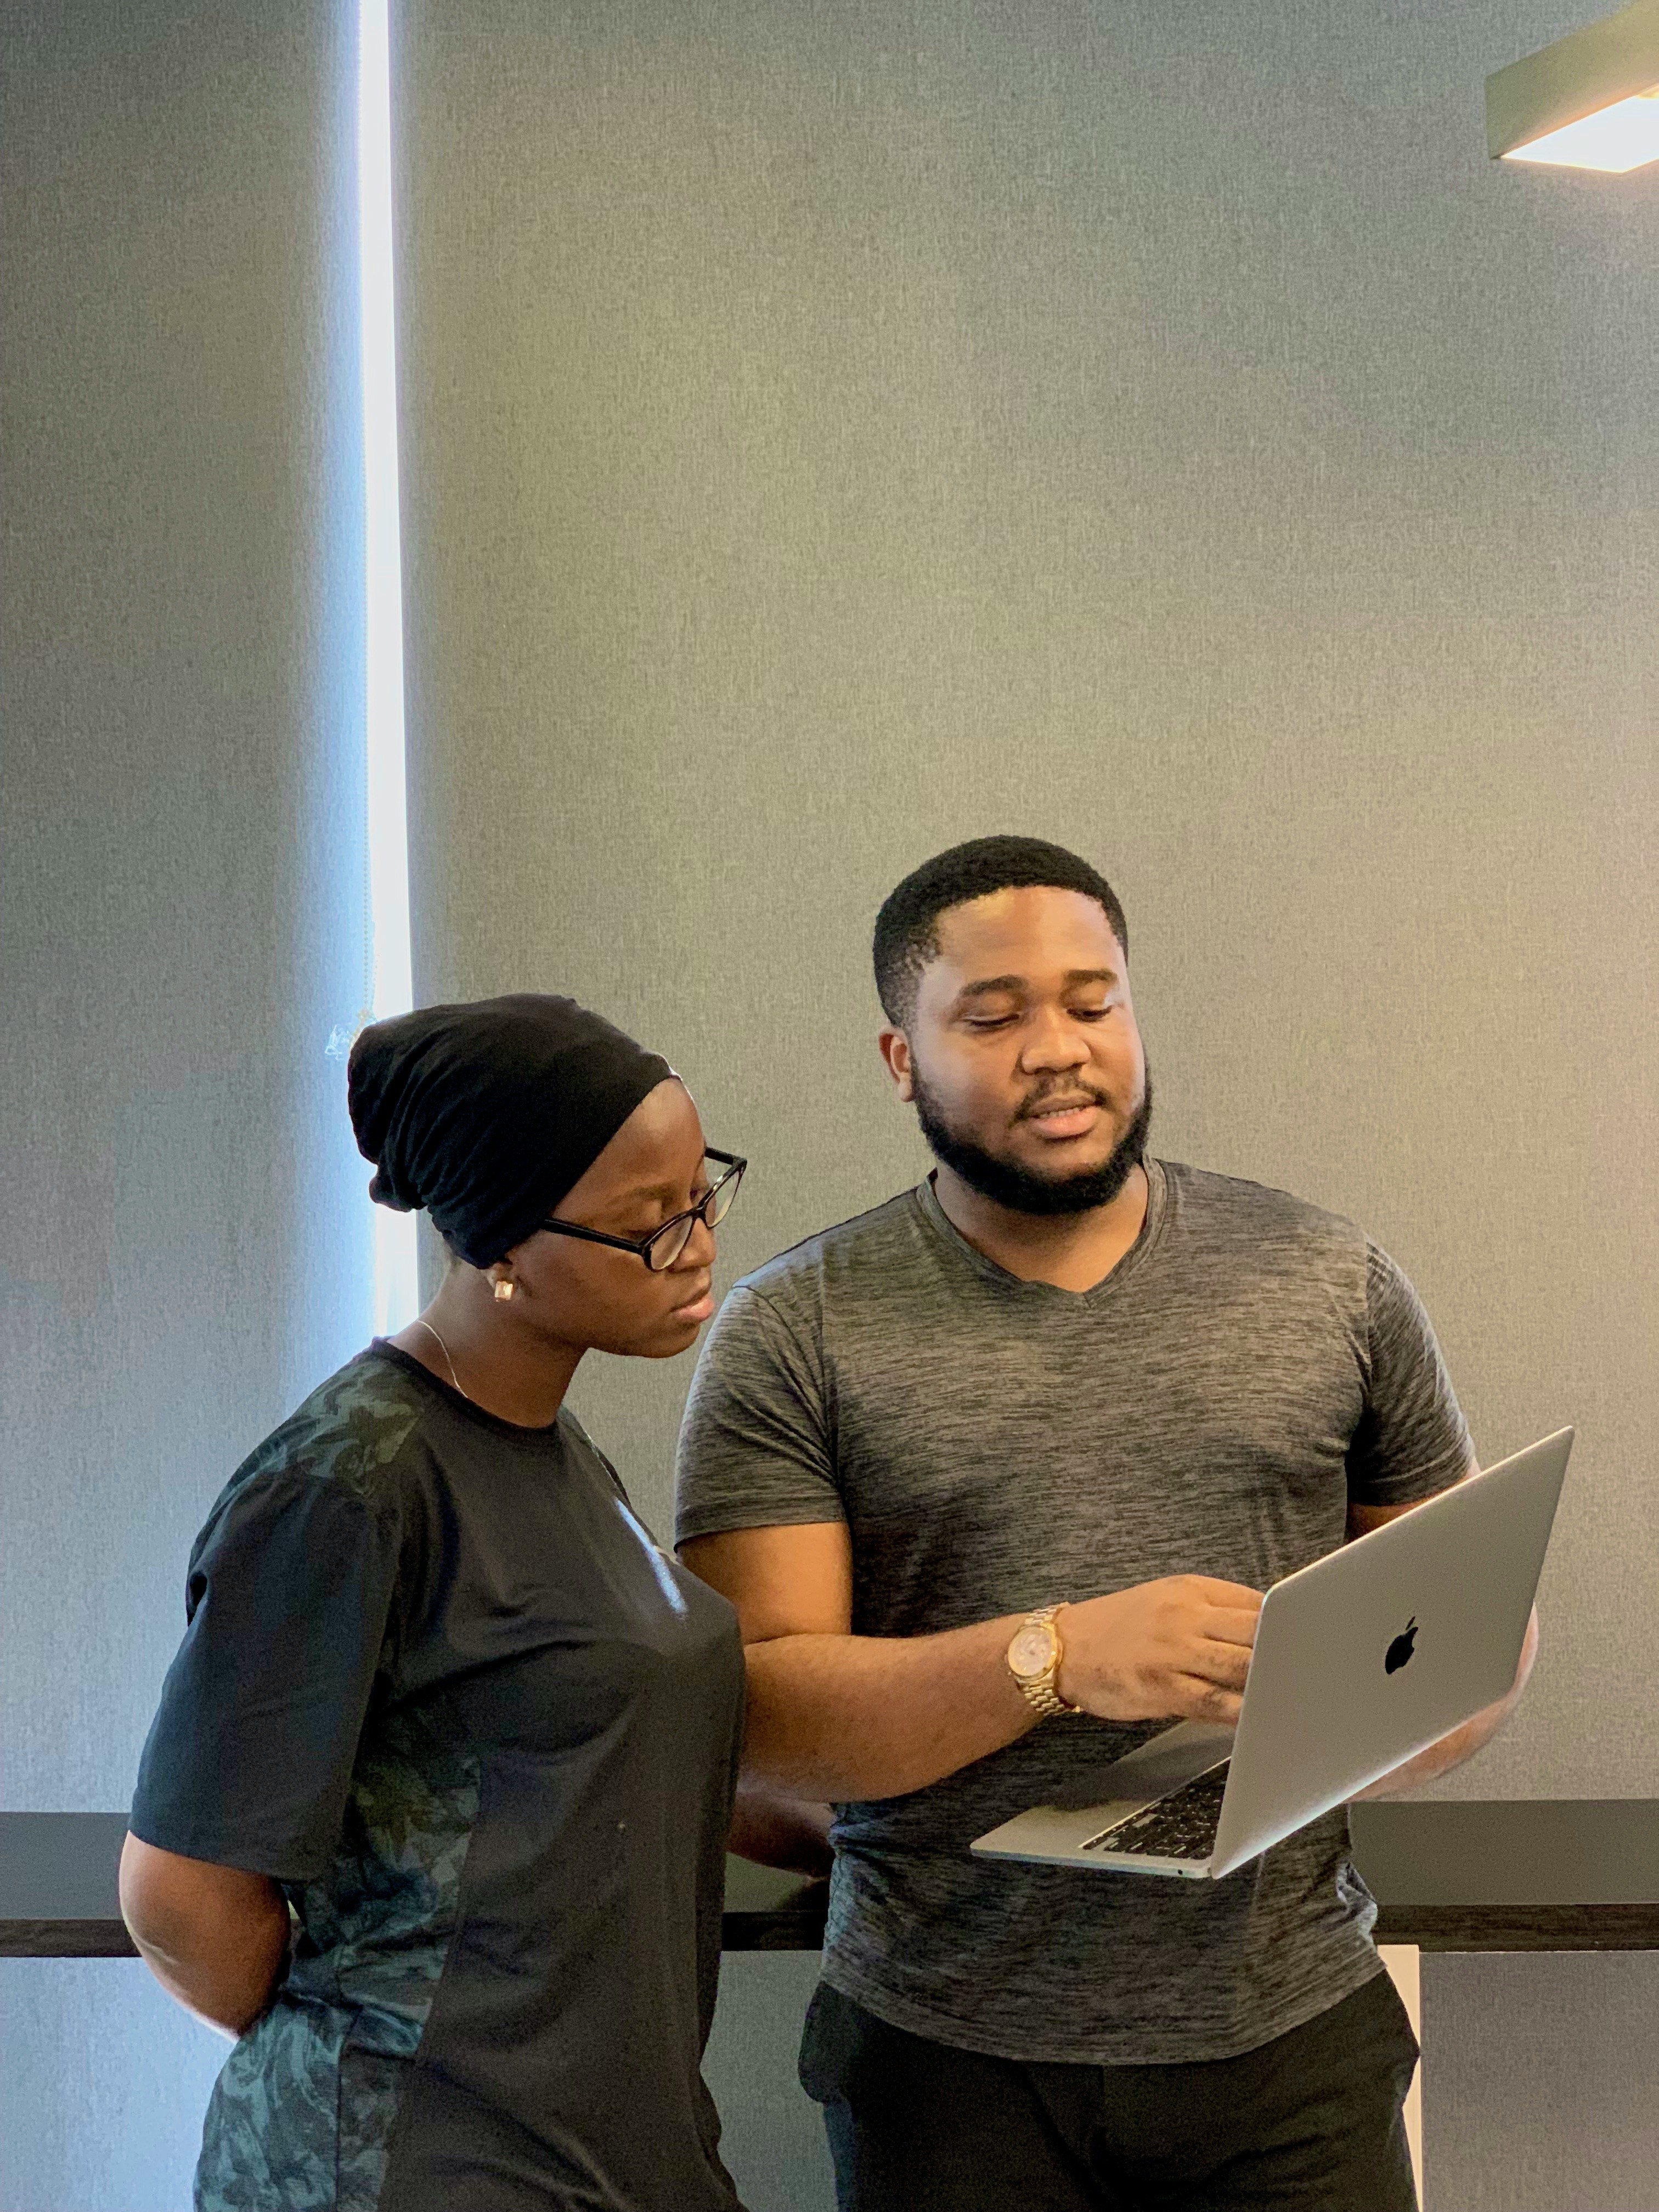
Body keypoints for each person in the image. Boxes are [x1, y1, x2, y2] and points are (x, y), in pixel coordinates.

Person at [675, 836, 1537, 2212]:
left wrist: (1415, 1705)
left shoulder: (1330, 1279)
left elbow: (1463, 1629)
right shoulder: (797, 1327)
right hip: (946, 2052)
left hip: (1291, 2033)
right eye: (993, 1015)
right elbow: (761, 1712)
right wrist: (1059, 1656)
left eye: (1094, 1000)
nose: (1056, 1049)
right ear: (904, 1059)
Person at [121, 993, 753, 2212]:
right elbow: (180, 1900)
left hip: (611, 2144)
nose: (697, 1243)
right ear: (506, 1248)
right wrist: (388, 2047)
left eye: (700, 1193)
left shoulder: (557, 1453)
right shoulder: (347, 1489)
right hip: (416, 2165)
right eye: (648, 1224)